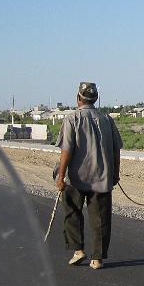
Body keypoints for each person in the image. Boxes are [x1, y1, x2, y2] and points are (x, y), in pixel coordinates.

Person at [55, 81, 122, 270]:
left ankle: (78, 250)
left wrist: (60, 176)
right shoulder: (107, 119)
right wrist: (115, 173)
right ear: (96, 99)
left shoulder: (72, 119)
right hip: (102, 176)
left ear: (78, 99)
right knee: (101, 218)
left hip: (77, 178)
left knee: (72, 212)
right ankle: (97, 258)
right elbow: (116, 149)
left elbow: (66, 150)